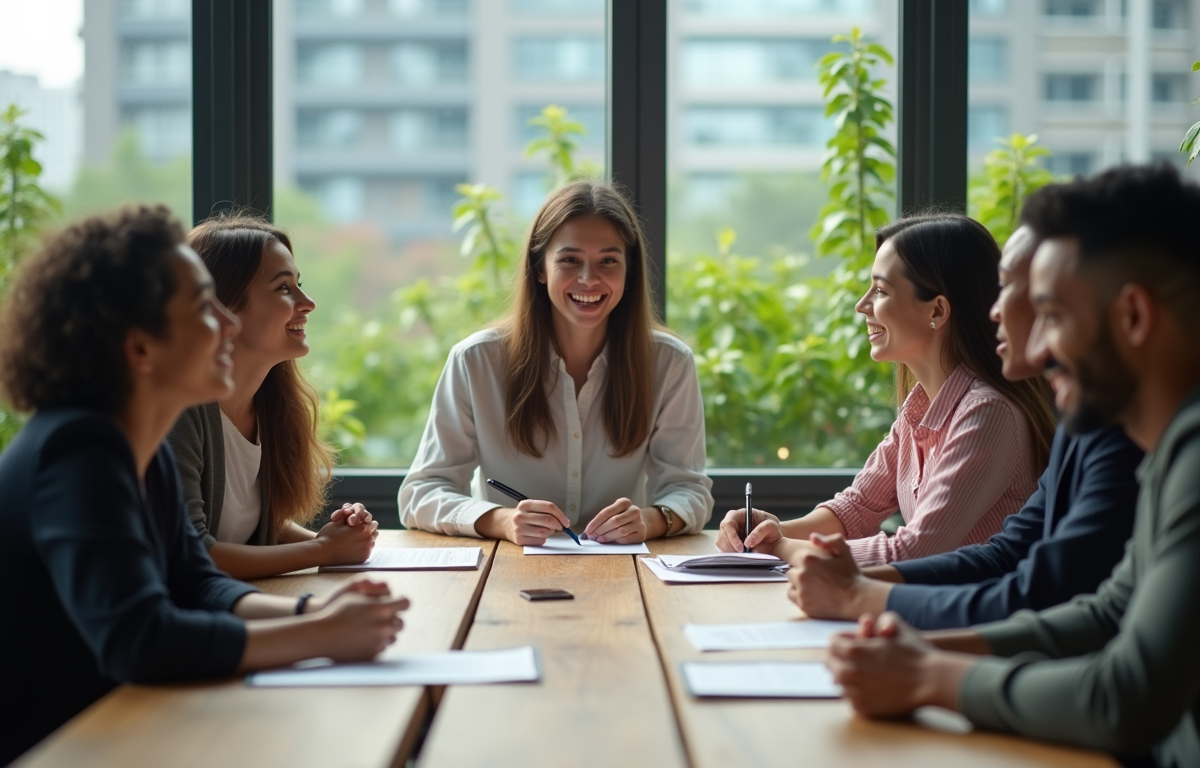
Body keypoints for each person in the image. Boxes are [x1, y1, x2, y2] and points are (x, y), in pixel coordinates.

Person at [0, 207, 410, 766]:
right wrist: (319, 636)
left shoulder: (138, 448)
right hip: (61, 744)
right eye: (204, 306)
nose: (230, 322)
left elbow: (196, 583)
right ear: (141, 347)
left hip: (121, 727)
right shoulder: (79, 450)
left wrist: (316, 611)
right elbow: (140, 639)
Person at [826, 164, 1200, 768]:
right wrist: (919, 652)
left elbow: (1126, 695)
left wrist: (930, 675)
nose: (1025, 332)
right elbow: (1103, 610)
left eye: (1050, 313)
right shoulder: (1160, 443)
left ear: (1132, 317)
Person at [785, 227, 1142, 628]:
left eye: (1044, 307)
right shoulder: (1080, 428)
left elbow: (929, 555)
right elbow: (1003, 555)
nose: (994, 311)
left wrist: (807, 562)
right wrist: (781, 540)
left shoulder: (996, 412)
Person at [717, 215, 1056, 566]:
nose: (861, 305)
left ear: (937, 310)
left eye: (880, 291)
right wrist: (768, 531)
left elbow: (915, 551)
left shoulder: (988, 413)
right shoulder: (920, 409)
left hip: (973, 616)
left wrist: (780, 548)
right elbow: (856, 508)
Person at [399, 180, 713, 545]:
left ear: (628, 271)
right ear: (540, 268)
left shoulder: (670, 364)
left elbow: (690, 491)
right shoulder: (476, 361)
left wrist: (650, 520)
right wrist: (501, 521)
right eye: (570, 260)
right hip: (506, 574)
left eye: (608, 261)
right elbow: (420, 494)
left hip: (626, 574)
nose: (589, 278)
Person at [167, 215, 377, 580]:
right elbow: (191, 552)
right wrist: (323, 550)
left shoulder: (269, 405)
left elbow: (256, 529)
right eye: (284, 288)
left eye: (299, 284)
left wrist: (336, 540)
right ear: (220, 304)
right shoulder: (178, 411)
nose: (307, 302)